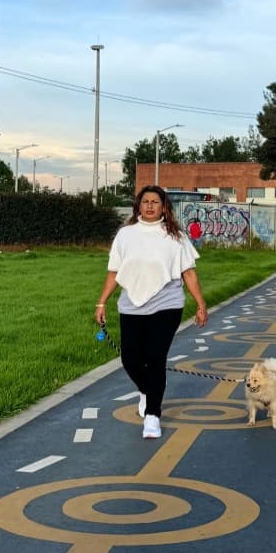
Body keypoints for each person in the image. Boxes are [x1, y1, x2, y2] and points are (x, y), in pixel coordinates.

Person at [95, 185, 208, 440]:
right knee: (131, 359)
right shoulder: (125, 235)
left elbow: (188, 273)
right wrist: (101, 303)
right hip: (131, 304)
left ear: (163, 206)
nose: (149, 206)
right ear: (138, 206)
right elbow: (114, 272)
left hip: (167, 303)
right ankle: (147, 390)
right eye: (144, 201)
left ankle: (153, 416)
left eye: (154, 202)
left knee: (156, 358)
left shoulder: (175, 236)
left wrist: (200, 304)